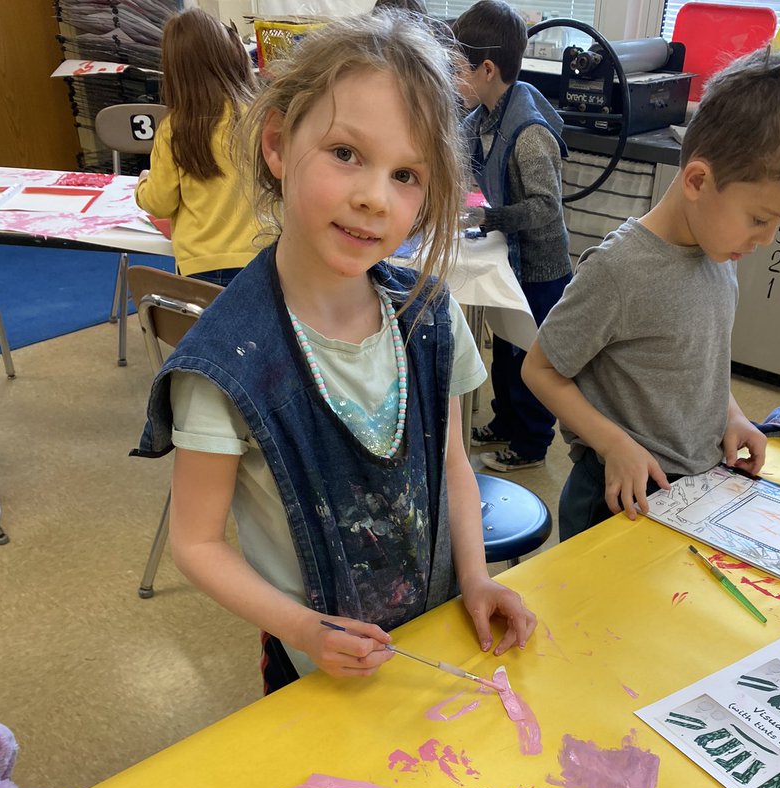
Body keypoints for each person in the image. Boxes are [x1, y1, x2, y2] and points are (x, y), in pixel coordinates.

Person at [135, 11, 536, 693]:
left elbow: (453, 466)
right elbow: (195, 544)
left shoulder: (430, 315)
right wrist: (301, 629)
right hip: (312, 667)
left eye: (406, 174)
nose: (373, 198)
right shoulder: (227, 363)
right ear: (278, 147)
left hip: (437, 644)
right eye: (347, 154)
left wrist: (475, 579)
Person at [521, 47, 780, 537]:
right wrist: (612, 443)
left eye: (778, 226)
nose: (763, 240)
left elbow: (700, 363)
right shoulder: (619, 271)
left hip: (696, 486)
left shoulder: (720, 253)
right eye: (759, 219)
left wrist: (731, 415)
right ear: (698, 180)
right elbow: (540, 369)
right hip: (621, 496)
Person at [453, 0, 572, 472]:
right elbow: (456, 150)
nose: (453, 78)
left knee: (529, 359)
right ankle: (505, 421)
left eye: (457, 69)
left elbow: (546, 208)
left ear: (486, 69)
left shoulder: (528, 134)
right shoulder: (485, 114)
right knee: (505, 347)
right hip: (513, 259)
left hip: (541, 268)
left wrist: (489, 218)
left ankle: (531, 444)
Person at [135, 8, 262, 286]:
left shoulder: (176, 127)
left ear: (174, 71)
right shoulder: (261, 117)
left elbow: (159, 203)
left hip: (201, 261)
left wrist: (143, 186)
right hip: (263, 256)